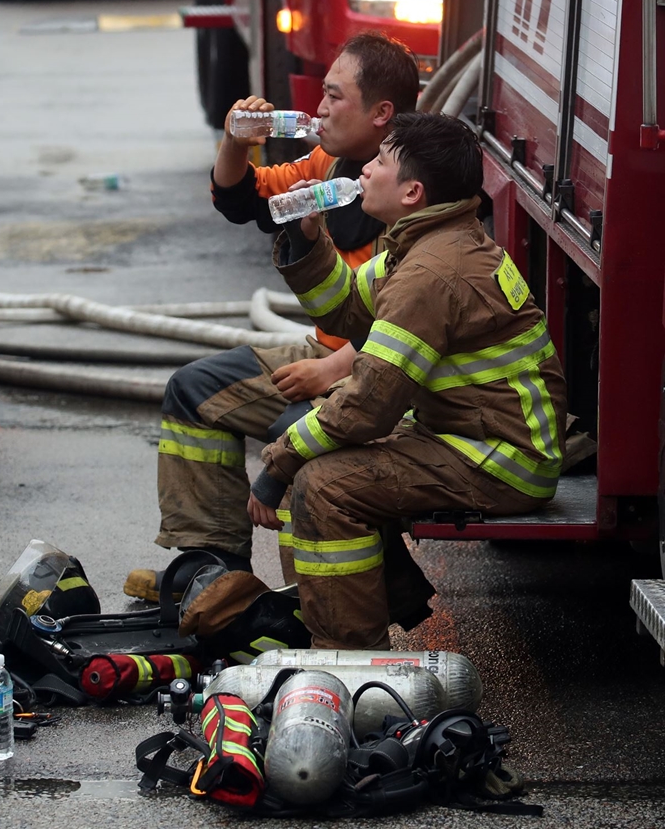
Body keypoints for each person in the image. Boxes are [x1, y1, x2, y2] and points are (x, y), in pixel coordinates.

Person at [124, 33, 435, 628]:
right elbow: (243, 201)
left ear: (381, 114)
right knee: (194, 391)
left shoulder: (415, 189)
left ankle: (313, 613)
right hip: (327, 358)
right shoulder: (330, 165)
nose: (316, 109)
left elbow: (417, 324)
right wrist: (235, 141)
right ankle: (213, 575)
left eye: (332, 95)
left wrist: (333, 368)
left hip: (389, 384)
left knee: (295, 437)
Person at [247, 112, 568, 650]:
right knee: (317, 467)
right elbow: (346, 311)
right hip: (468, 435)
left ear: (413, 192)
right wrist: (310, 239)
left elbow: (369, 404)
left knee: (326, 485)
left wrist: (277, 461)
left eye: (380, 162)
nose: (364, 170)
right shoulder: (426, 245)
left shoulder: (430, 273)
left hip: (503, 458)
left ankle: (348, 659)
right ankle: (340, 619)